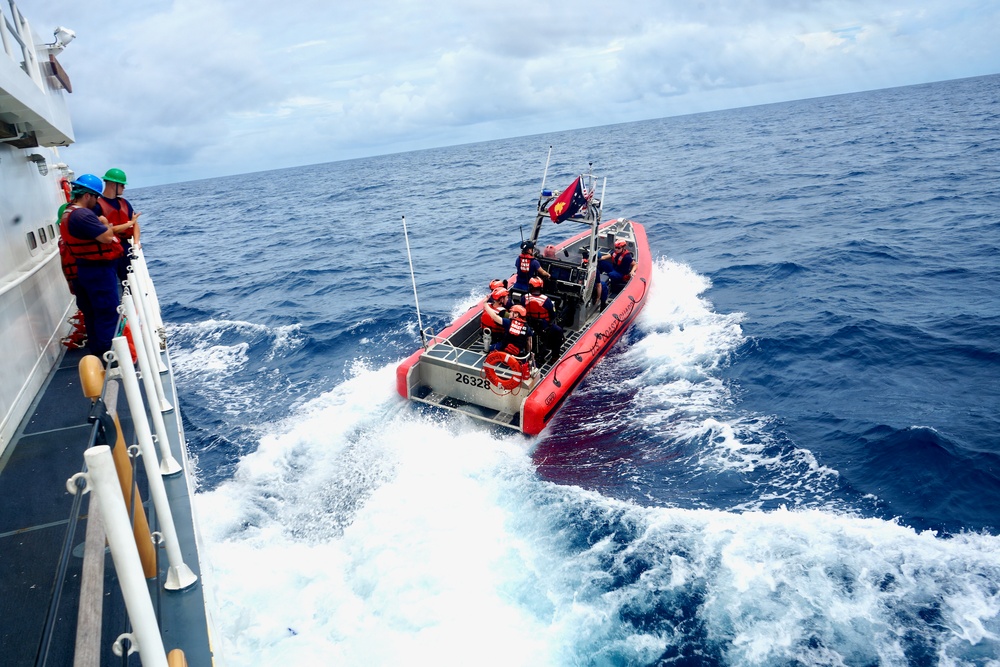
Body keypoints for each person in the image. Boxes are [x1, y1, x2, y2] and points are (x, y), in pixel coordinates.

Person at [61, 173, 124, 359]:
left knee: (93, 314)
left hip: (85, 269)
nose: (97, 200)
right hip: (97, 271)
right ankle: (110, 355)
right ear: (87, 195)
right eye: (96, 196)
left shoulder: (68, 212)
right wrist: (105, 224)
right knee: (107, 313)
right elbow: (105, 237)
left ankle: (98, 352)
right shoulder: (82, 215)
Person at [95, 168, 140, 284]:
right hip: (108, 249)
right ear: (112, 184)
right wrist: (129, 224)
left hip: (124, 246)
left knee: (130, 280)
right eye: (122, 185)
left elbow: (135, 223)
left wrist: (136, 242)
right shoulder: (97, 206)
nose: (124, 188)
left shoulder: (124, 203)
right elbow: (103, 231)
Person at [524, 277, 564, 364]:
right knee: (559, 331)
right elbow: (553, 314)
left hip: (529, 324)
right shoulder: (546, 300)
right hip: (543, 326)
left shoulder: (525, 298)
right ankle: (555, 356)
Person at [597, 239, 634, 307]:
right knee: (601, 263)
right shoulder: (615, 253)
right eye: (616, 247)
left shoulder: (627, 257)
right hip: (614, 269)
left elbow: (635, 264)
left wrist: (632, 271)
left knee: (610, 275)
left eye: (618, 248)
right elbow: (607, 256)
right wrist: (599, 259)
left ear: (623, 248)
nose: (616, 249)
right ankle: (599, 275)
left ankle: (606, 286)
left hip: (621, 273)